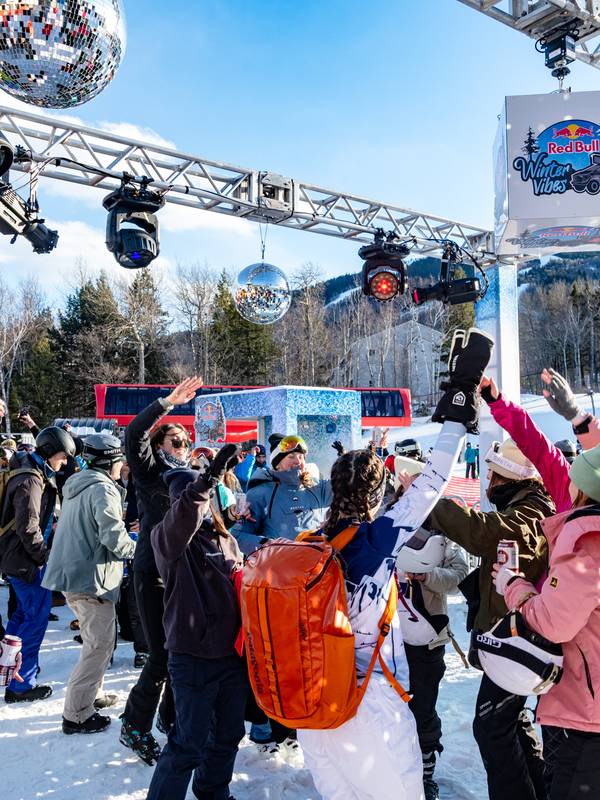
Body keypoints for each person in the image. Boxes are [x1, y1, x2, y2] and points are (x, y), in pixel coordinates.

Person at [297, 327, 494, 800]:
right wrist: (461, 396)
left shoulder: (308, 543)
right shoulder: (377, 539)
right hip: (368, 698)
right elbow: (434, 480)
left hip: (315, 700)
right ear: (376, 495)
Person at [426, 437, 554, 800]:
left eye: (494, 476)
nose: (488, 483)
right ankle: (539, 791)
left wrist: (432, 501)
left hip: (520, 642)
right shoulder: (525, 505)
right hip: (513, 639)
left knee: (492, 726)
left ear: (511, 477)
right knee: (510, 721)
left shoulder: (531, 510)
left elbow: (484, 532)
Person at [494, 444, 600, 800]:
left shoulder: (586, 542)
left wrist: (513, 585)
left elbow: (554, 623)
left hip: (585, 713)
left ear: (583, 487)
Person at [146, 445, 247, 800]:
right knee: (188, 743)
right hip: (193, 657)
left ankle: (213, 791)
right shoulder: (167, 540)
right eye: (193, 498)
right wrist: (206, 480)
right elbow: (185, 515)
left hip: (231, 655)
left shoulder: (225, 538)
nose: (203, 505)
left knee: (228, 735)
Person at [120, 376, 203, 764]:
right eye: (175, 441)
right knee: (159, 656)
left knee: (180, 653)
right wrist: (167, 403)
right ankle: (134, 726)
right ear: (158, 446)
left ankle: (170, 718)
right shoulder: (150, 472)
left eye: (185, 442)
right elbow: (134, 433)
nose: (183, 447)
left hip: (182, 576)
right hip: (151, 572)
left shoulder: (190, 478)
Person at [42, 434, 136, 734]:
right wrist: (140, 549)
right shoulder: (102, 489)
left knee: (97, 641)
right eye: (120, 460)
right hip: (90, 578)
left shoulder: (79, 483)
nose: (122, 465)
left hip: (76, 575)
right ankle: (77, 715)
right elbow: (113, 537)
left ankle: (92, 695)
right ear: (110, 461)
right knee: (99, 646)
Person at [0, 426, 75, 702]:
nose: (63, 463)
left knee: (22, 615)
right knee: (35, 618)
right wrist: (43, 558)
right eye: (62, 457)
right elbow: (28, 526)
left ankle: (10, 668)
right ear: (50, 451)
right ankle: (21, 684)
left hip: (15, 557)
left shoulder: (28, 470)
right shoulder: (31, 479)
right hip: (25, 561)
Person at [232, 433, 332, 556]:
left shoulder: (318, 488)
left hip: (317, 565)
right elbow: (237, 536)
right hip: (278, 565)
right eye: (291, 457)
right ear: (277, 463)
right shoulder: (259, 493)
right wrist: (271, 547)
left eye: (301, 457)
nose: (298, 461)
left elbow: (349, 487)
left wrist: (346, 459)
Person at [116, 461, 147, 667]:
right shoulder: (112, 483)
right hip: (115, 543)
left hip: (138, 543)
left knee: (136, 597)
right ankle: (122, 634)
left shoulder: (144, 483)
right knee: (117, 594)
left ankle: (143, 648)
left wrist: (145, 523)